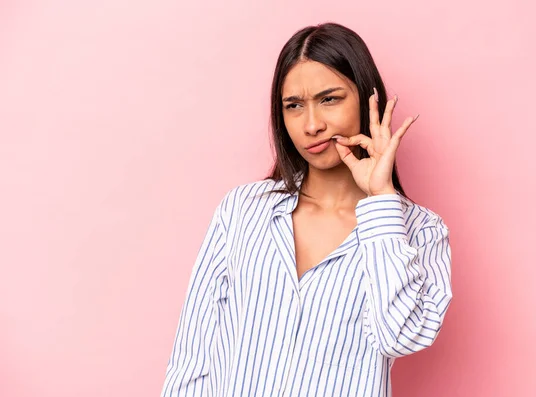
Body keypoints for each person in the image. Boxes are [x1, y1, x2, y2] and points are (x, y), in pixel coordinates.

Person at [160, 22, 452, 397]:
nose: (312, 125)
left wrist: (381, 201)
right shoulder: (242, 211)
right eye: (294, 106)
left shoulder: (421, 231)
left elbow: (402, 336)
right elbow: (193, 357)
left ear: (367, 100)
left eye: (330, 99)